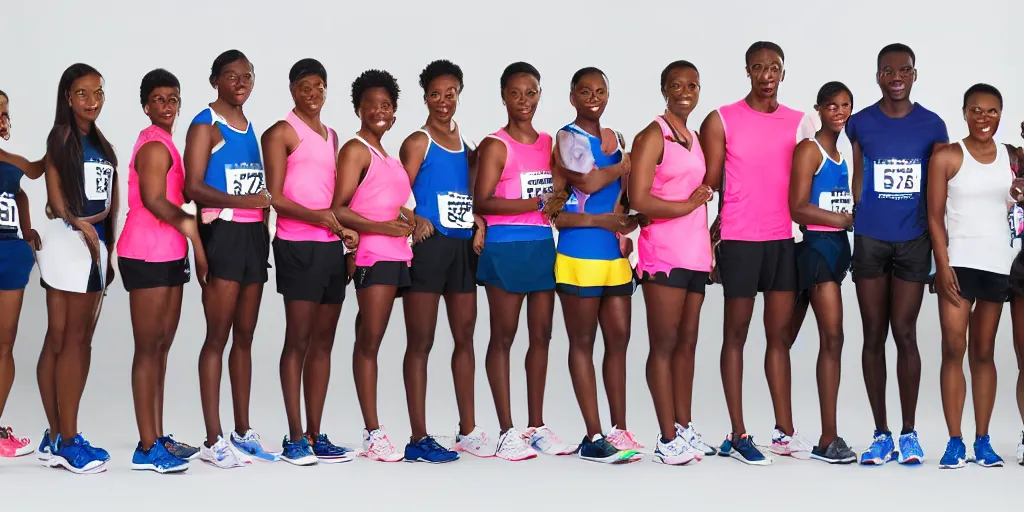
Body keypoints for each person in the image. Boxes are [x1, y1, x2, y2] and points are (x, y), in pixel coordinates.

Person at [700, 41, 816, 465]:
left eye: (774, 68)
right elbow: (707, 184)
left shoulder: (802, 122)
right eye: (758, 67)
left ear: (784, 72)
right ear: (746, 71)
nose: (766, 75)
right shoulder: (722, 119)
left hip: (782, 241)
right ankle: (737, 433)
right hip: (739, 240)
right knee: (736, 334)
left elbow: (815, 178)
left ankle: (784, 431)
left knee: (779, 340)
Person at [847, 43, 949, 466]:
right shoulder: (859, 124)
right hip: (870, 239)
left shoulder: (933, 125)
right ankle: (880, 433)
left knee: (904, 333)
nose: (896, 76)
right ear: (877, 76)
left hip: (913, 241)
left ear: (914, 74)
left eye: (903, 69)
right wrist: (858, 213)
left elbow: (941, 185)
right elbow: (855, 175)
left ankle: (908, 434)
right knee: (873, 334)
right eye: (887, 70)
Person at [475, 61, 574, 461]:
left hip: (540, 246)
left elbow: (559, 190)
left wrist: (558, 200)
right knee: (503, 337)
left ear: (540, 95)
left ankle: (536, 426)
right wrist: (533, 203)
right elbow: (482, 200)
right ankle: (505, 430)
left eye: (530, 92)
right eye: (515, 93)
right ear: (503, 97)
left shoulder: (548, 141)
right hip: (504, 248)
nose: (523, 101)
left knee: (542, 335)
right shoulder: (496, 144)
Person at [263, 58, 357, 466]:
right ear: (292, 90)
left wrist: (342, 230)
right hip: (296, 244)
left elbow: (332, 197)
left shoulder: (332, 135)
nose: (313, 93)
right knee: (297, 340)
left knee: (324, 341)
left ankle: (316, 435)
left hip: (329, 248)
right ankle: (294, 436)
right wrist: (319, 218)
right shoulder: (281, 132)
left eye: (319, 85)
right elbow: (275, 196)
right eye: (305, 86)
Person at [183, 49, 275, 468]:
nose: (241, 82)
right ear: (215, 80)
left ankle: (242, 429)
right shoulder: (206, 124)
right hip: (222, 234)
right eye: (232, 76)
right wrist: (244, 200)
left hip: (254, 234)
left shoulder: (249, 125)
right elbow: (193, 187)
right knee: (217, 337)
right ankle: (212, 437)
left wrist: (261, 208)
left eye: (248, 76)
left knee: (246, 336)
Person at [118, 69, 210, 473]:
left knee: (161, 348)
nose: (167, 106)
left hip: (169, 254)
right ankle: (146, 446)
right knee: (147, 348)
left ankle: (156, 436)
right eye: (159, 99)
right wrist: (193, 232)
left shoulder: (168, 143)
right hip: (146, 253)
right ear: (145, 106)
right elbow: (155, 201)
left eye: (173, 99)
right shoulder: (154, 146)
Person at [548, 66, 640, 464]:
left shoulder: (617, 137)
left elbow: (622, 196)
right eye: (584, 91)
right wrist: (621, 167)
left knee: (618, 340)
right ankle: (593, 434)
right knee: (582, 343)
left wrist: (629, 219)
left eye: (600, 90)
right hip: (579, 253)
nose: (593, 97)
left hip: (614, 255)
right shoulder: (567, 136)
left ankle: (619, 430)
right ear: (572, 97)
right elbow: (586, 183)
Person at [399, 59, 488, 463]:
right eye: (435, 94)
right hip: (429, 247)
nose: (443, 101)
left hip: (461, 249)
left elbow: (470, 197)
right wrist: (414, 217)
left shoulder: (468, 148)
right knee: (421, 340)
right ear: (425, 98)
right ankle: (418, 437)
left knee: (465, 336)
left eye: (450, 93)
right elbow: (392, 194)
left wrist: (480, 220)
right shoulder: (418, 142)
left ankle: (467, 429)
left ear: (459, 95)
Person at [629, 60, 717, 466]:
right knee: (663, 346)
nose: (685, 91)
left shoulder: (695, 137)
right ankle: (666, 438)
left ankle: (684, 427)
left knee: (686, 344)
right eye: (677, 85)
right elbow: (639, 199)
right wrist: (685, 205)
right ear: (664, 89)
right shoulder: (653, 135)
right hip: (662, 253)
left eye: (692, 85)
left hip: (695, 253)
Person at [34, 63, 118, 474]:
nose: (92, 101)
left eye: (98, 92)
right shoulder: (62, 137)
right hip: (69, 245)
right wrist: (77, 221)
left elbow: (110, 204)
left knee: (75, 341)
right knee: (66, 342)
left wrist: (110, 250)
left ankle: (58, 435)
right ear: (68, 97)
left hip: (94, 251)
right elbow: (56, 196)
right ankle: (66, 438)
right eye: (83, 93)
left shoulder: (102, 145)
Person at [928, 84, 1013, 470]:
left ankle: (983, 440)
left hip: (996, 264)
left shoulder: (1012, 157)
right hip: (957, 266)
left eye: (992, 111)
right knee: (953, 350)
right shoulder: (948, 156)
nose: (984, 118)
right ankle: (954, 441)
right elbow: (933, 216)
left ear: (1000, 114)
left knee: (984, 353)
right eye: (976, 110)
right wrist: (942, 266)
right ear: (964, 113)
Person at [332, 68, 414, 463]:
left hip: (399, 255)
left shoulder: (389, 156)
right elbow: (340, 209)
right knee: (370, 342)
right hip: (373, 256)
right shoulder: (355, 149)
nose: (379, 111)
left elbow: (382, 200)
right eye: (372, 105)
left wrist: (411, 218)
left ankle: (373, 430)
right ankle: (373, 432)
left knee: (370, 334)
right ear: (358, 110)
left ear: (394, 113)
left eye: (386, 105)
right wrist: (383, 227)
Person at [787, 81, 858, 464]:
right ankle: (827, 438)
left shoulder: (841, 153)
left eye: (845, 105)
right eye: (832, 106)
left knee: (783, 339)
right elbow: (797, 207)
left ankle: (785, 431)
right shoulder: (809, 149)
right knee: (832, 338)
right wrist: (842, 219)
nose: (839, 112)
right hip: (816, 250)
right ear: (818, 109)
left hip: (836, 252)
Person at [0, 89, 43, 459]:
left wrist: (27, 230)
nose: (1, 119)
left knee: (4, 344)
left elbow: (24, 187)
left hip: (11, 254)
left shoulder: (12, 162)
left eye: (4, 113)